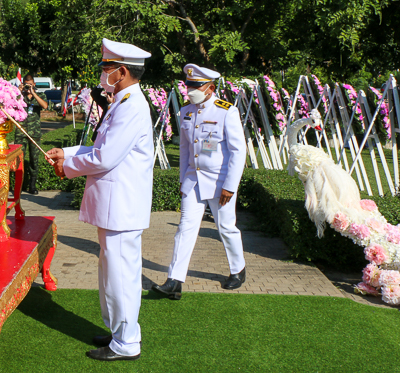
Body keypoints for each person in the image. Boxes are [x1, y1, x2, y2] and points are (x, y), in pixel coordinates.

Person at [46, 39, 153, 362]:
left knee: (120, 274)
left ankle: (126, 341)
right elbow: (99, 147)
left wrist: (68, 167)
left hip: (121, 206)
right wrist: (66, 153)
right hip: (115, 205)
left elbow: (105, 157)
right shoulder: (123, 102)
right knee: (112, 272)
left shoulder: (131, 106)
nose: (102, 74)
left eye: (106, 68)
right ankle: (118, 331)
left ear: (121, 72)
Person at [153, 64, 247, 300]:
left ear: (210, 88)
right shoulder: (186, 111)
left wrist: (230, 186)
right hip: (194, 181)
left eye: (196, 86)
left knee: (226, 228)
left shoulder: (226, 111)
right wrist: (183, 178)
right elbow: (185, 150)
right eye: (189, 85)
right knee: (185, 229)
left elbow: (238, 151)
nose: (190, 90)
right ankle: (174, 281)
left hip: (219, 182)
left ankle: (238, 269)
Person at [14, 73, 48, 194]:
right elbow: (12, 106)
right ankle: (19, 185)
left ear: (34, 84)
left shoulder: (40, 94)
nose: (28, 87)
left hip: (34, 132)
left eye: (31, 84)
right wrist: (18, 93)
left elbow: (45, 106)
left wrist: (33, 93)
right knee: (19, 159)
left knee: (34, 159)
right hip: (21, 132)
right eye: (26, 85)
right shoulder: (19, 95)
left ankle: (32, 185)